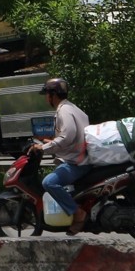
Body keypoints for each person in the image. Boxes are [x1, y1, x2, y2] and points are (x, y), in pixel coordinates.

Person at [29, 76, 92, 234]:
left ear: (53, 95)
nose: (46, 98)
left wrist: (44, 147)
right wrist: (49, 142)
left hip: (76, 162)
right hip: (79, 157)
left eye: (46, 95)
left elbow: (67, 136)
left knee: (49, 183)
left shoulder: (63, 110)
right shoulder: (73, 108)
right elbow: (69, 137)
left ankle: (78, 213)